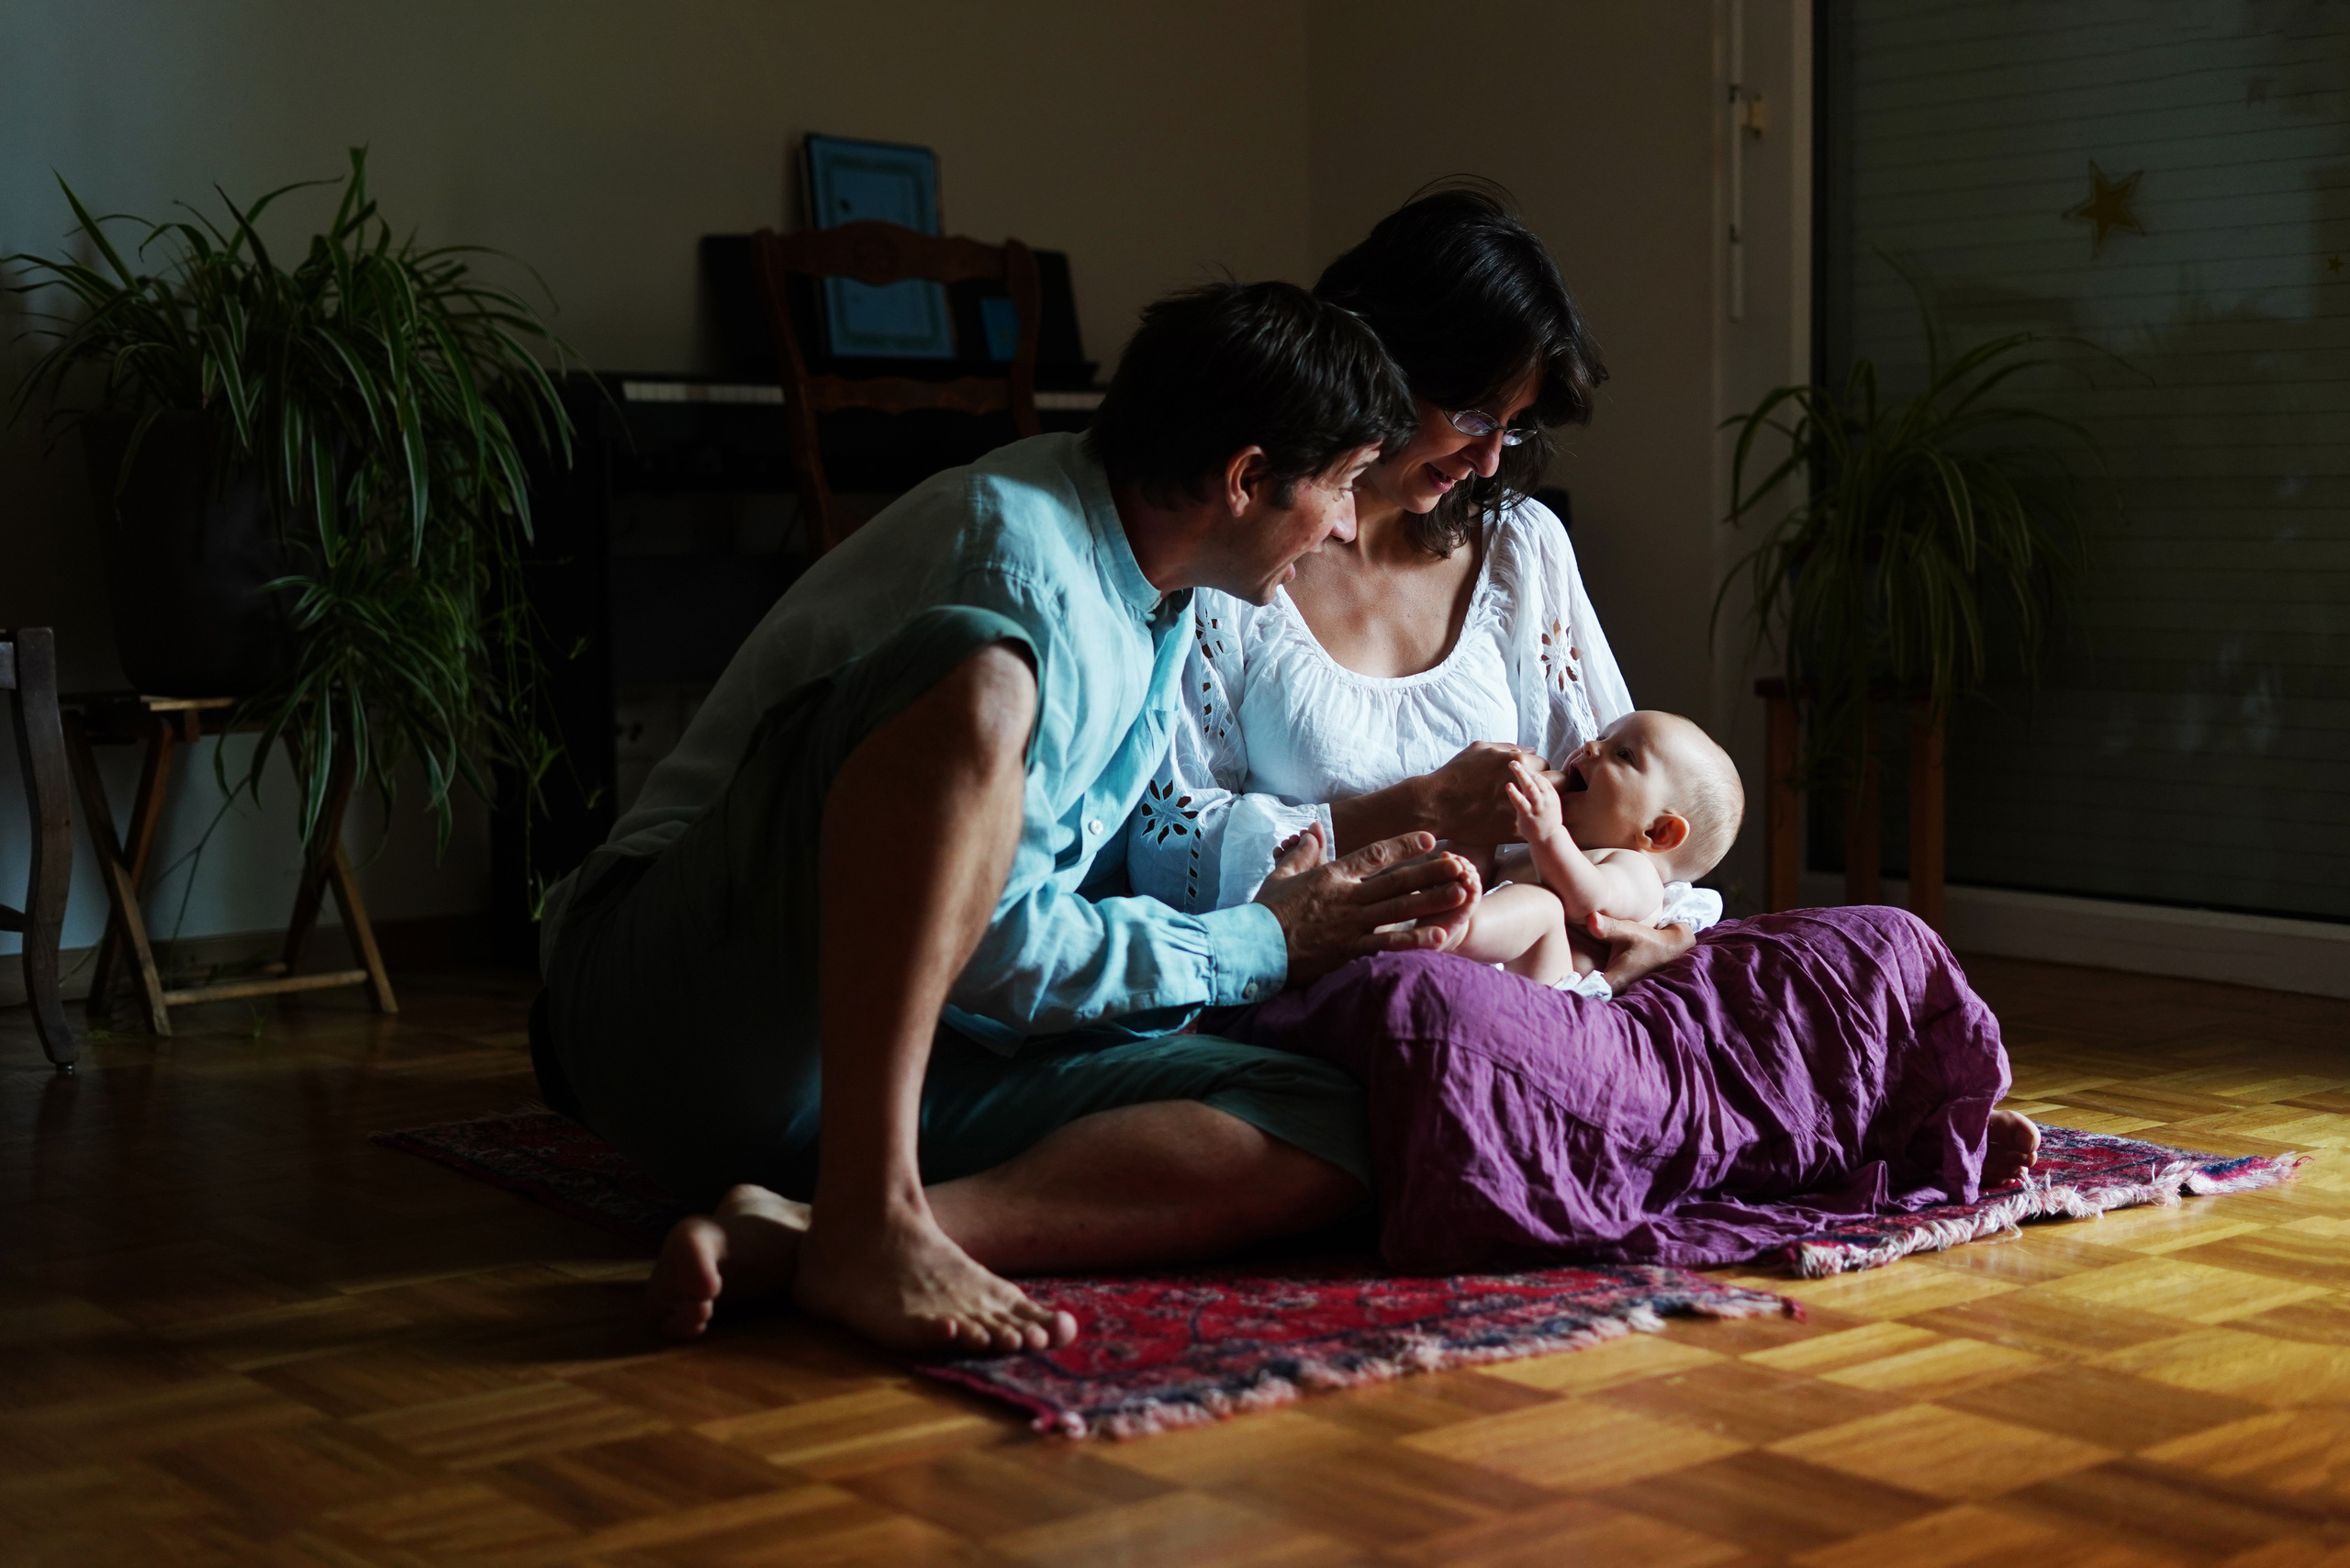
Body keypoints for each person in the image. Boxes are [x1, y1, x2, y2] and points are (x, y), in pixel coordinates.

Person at [531, 281, 1487, 1355]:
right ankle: (872, 1212)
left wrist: (1278, 916)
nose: (1352, 525)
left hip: (883, 1060)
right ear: (1247, 477)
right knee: (978, 674)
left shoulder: (1162, 584)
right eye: (1348, 485)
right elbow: (990, 944)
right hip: (679, 1010)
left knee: (1334, 1122)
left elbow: (1008, 935)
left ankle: (822, 1233)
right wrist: (1262, 941)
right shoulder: (1016, 558)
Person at [1130, 186, 2041, 1269]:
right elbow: (1165, 847)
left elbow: (1643, 797)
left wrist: (1661, 930)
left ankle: (1799, 1123)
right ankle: (1821, 1132)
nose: (1489, 460)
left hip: (1571, 968)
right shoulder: (1238, 553)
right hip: (1378, 974)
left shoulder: (1520, 548)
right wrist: (1412, 814)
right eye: (1472, 416)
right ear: (1374, 362)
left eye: (1514, 430)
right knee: (1442, 1020)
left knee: (1871, 942)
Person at [1452, 711, 1744, 992]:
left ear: (1659, 832)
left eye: (1623, 755)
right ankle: (1441, 926)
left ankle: (1447, 932)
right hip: (1491, 966)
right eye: (1600, 737)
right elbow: (1480, 880)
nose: (1590, 747)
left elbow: (1584, 902)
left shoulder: (1637, 871)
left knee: (1545, 907)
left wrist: (1548, 833)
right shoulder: (1540, 853)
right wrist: (1478, 828)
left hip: (1550, 986)